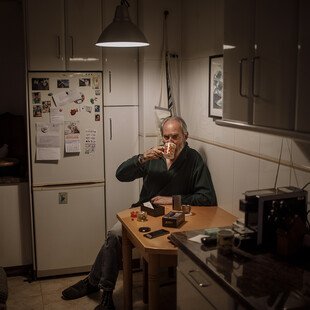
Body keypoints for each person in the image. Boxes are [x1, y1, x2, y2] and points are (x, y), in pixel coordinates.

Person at [61, 116, 217, 309]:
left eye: (175, 137)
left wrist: (174, 199)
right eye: (166, 137)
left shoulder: (193, 159)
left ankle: (91, 281)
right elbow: (120, 175)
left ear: (185, 135)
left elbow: (207, 197)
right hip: (145, 209)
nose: (169, 142)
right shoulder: (154, 157)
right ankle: (106, 295)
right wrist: (142, 158)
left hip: (173, 216)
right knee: (114, 235)